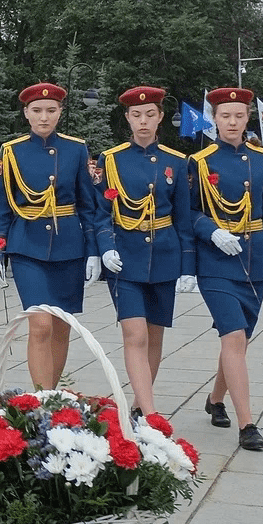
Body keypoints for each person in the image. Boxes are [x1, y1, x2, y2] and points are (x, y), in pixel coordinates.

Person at [191, 87, 263, 451]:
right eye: (225, 116)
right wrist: (211, 230)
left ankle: (215, 399)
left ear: (248, 119)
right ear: (214, 119)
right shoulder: (199, 161)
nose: (232, 122)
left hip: (255, 257)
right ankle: (247, 424)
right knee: (232, 337)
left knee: (240, 339)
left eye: (239, 116)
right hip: (215, 261)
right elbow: (189, 211)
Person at [0, 83, 100, 390]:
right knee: (40, 325)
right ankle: (42, 397)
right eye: (37, 111)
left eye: (51, 110)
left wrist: (93, 251)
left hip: (69, 246)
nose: (44, 117)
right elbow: (0, 208)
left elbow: (86, 203)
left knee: (62, 327)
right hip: (27, 246)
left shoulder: (76, 149)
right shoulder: (12, 152)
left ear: (60, 112)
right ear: (26, 113)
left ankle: (52, 396)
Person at [95, 87, 194, 419]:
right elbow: (101, 213)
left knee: (154, 335)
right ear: (127, 118)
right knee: (133, 332)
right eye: (136, 115)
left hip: (164, 255)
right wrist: (106, 247)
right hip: (126, 255)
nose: (143, 121)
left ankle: (140, 404)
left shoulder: (176, 162)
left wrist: (188, 265)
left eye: (150, 114)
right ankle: (151, 413)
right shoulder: (112, 159)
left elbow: (183, 217)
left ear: (160, 117)